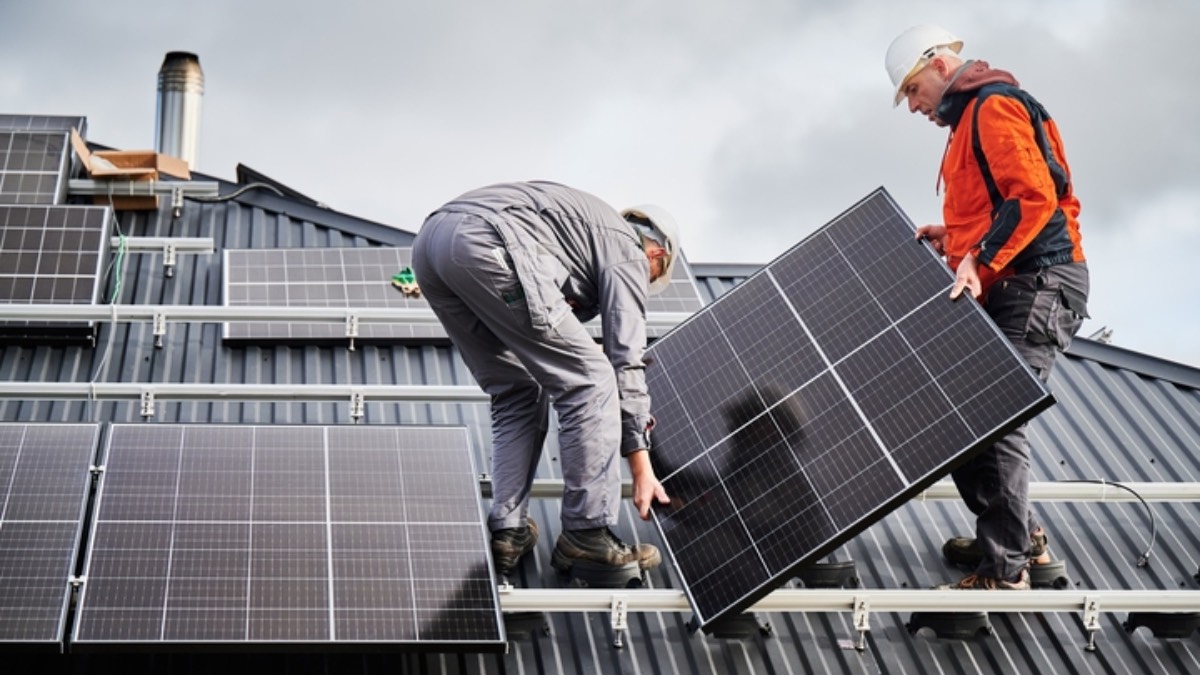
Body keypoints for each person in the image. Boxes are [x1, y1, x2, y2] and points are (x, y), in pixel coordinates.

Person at [885, 26, 1090, 590]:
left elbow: (1032, 197)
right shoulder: (968, 121)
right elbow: (993, 208)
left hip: (1038, 281)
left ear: (939, 65)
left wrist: (977, 257)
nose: (914, 107)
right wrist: (953, 238)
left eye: (912, 90)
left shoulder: (994, 105)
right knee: (962, 416)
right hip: (1012, 281)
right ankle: (1021, 537)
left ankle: (1006, 567)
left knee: (995, 413)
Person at [410, 180, 675, 577]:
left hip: (431, 246)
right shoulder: (627, 249)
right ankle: (587, 533)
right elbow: (625, 359)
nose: (643, 286)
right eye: (651, 278)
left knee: (517, 389)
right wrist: (641, 465)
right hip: (488, 239)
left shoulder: (580, 232)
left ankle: (508, 529)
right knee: (592, 379)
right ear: (656, 254)